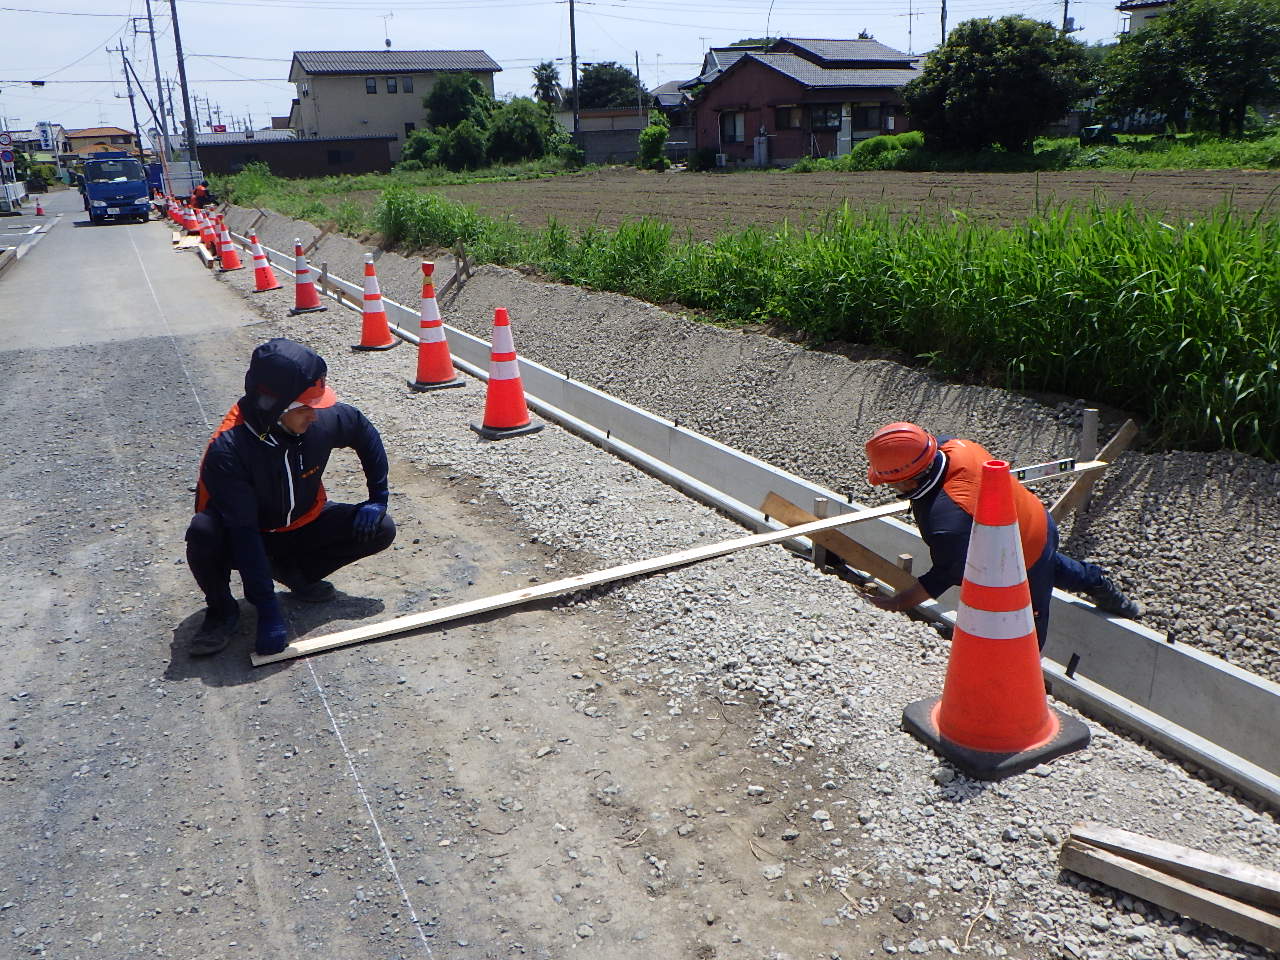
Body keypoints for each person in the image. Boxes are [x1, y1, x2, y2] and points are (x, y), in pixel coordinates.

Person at [185, 338, 396, 656]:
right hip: (250, 533)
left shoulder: (316, 423)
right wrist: (268, 611)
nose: (316, 415)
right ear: (273, 407)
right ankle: (222, 610)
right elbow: (244, 535)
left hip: (300, 524)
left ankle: (296, 574)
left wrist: (378, 497)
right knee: (203, 532)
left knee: (381, 528)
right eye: (307, 408)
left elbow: (362, 430)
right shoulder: (228, 450)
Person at [862, 422, 1140, 648]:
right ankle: (1099, 583)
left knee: (1024, 621)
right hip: (1031, 517)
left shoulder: (946, 520)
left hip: (1022, 550)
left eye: (890, 483)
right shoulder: (955, 447)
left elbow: (946, 574)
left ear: (909, 479)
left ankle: (1025, 667)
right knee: (1051, 565)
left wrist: (896, 602)